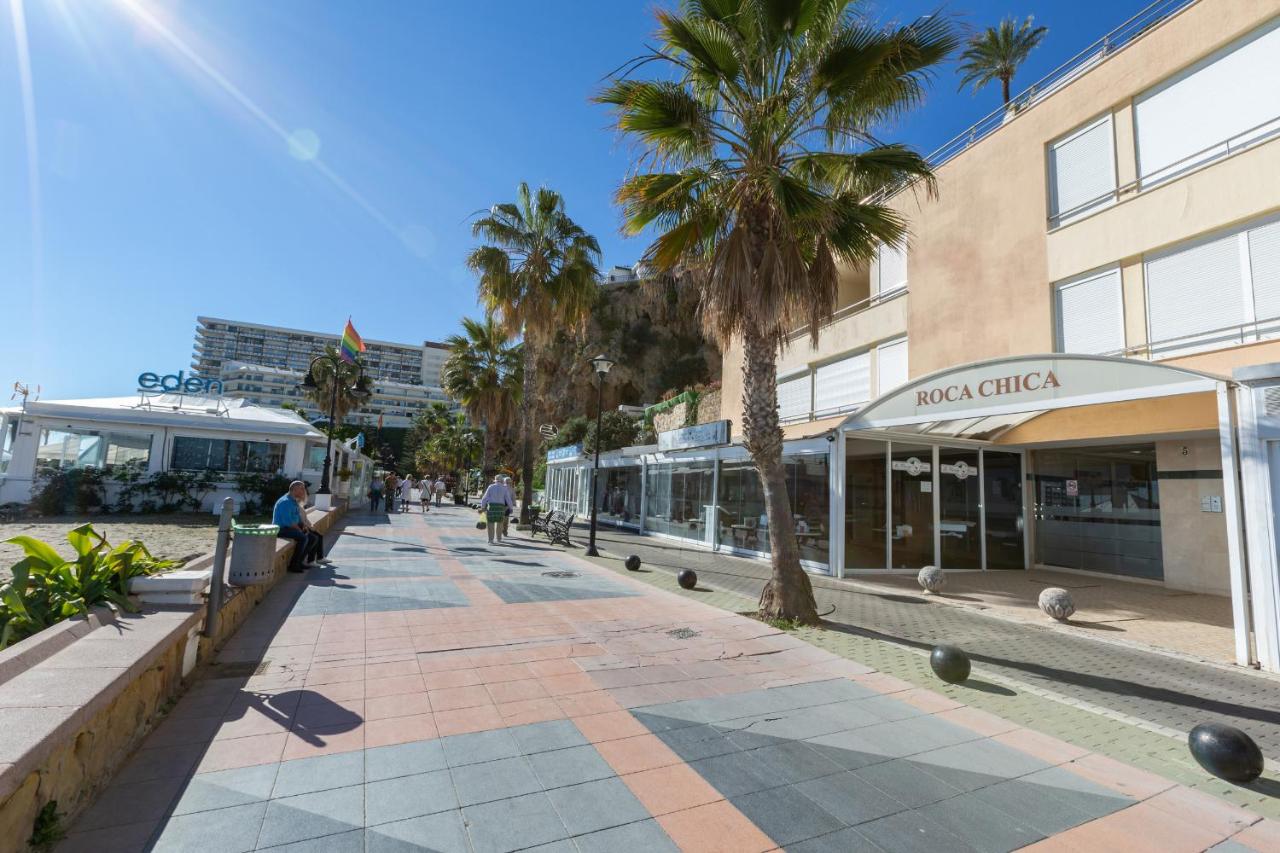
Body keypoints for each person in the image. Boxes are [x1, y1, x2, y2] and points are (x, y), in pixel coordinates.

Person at [274, 481, 317, 573]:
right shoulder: (285, 502)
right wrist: (299, 530)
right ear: (295, 490)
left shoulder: (293, 501)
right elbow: (288, 522)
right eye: (302, 489)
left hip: (290, 527)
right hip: (281, 529)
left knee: (313, 538)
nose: (304, 491)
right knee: (303, 538)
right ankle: (293, 565)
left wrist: (303, 526)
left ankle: (299, 562)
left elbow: (298, 517)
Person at [481, 474, 513, 544]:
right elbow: (508, 499)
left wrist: (482, 507)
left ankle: (491, 540)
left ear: (495, 480)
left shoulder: (491, 487)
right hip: (500, 508)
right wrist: (511, 508)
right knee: (500, 524)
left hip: (491, 507)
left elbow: (485, 498)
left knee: (490, 523)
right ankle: (499, 539)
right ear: (502, 480)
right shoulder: (504, 488)